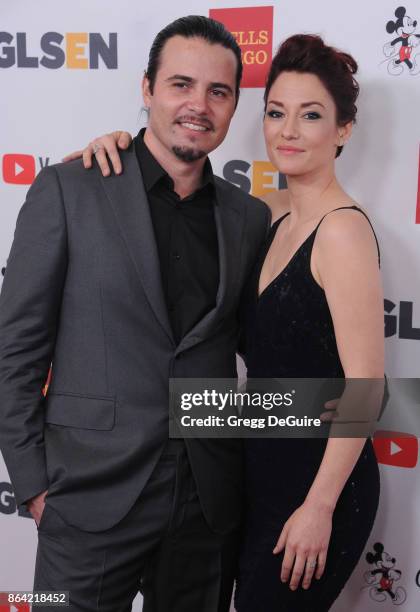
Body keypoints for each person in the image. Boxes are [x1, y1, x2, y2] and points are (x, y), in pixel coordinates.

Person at [73, 34, 384, 611]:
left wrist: (319, 506)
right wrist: (117, 149)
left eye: (310, 115)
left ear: (342, 130)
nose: (288, 130)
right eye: (276, 113)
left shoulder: (342, 231)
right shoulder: (266, 216)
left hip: (318, 487)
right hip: (255, 474)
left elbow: (367, 387)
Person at [0, 16, 270, 612]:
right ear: (147, 89)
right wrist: (35, 486)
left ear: (232, 107)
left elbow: (260, 351)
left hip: (206, 504)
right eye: (180, 84)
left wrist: (352, 411)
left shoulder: (248, 219)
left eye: (218, 92)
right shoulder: (69, 188)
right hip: (86, 499)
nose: (198, 105)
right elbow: (15, 350)